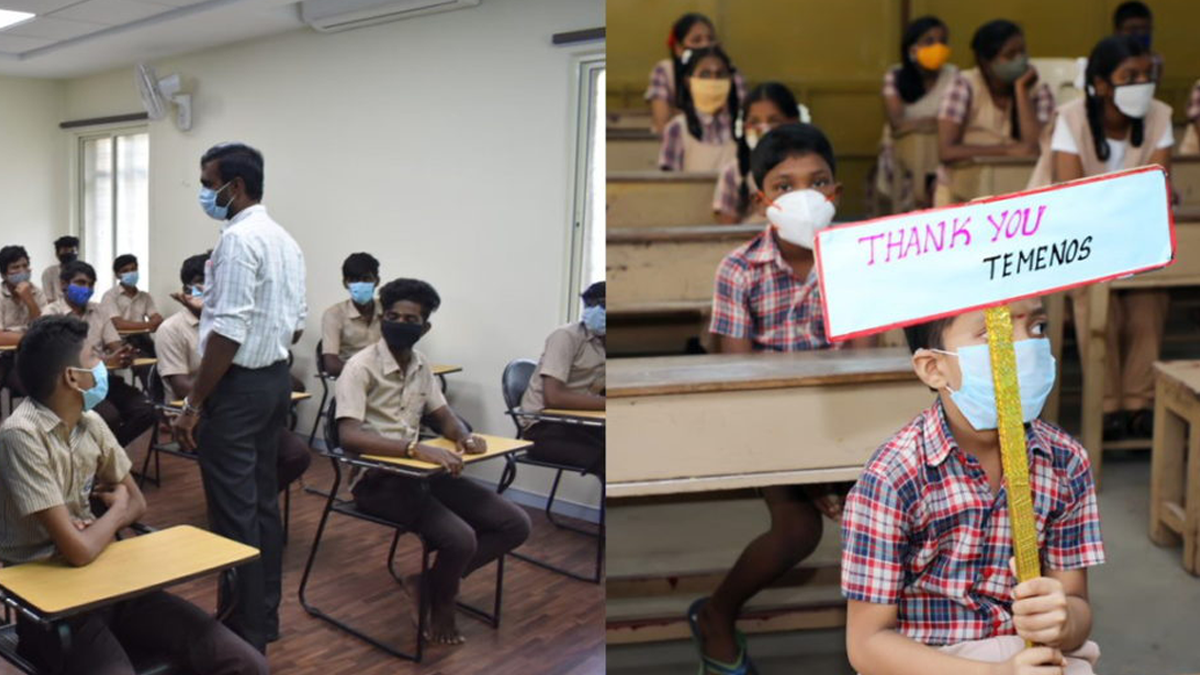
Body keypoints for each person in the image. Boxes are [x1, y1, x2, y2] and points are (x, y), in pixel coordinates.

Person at [842, 297, 1103, 674]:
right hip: (930, 661)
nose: (1024, 348)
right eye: (993, 333)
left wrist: (1063, 622)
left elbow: (1077, 603)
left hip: (1033, 654)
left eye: (1037, 328)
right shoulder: (893, 477)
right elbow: (867, 644)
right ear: (934, 368)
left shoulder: (1066, 460)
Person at [0, 314, 267, 675]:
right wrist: (115, 511)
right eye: (94, 355)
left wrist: (102, 526)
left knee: (244, 662)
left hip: (110, 579)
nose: (102, 363)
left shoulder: (90, 421)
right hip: (50, 603)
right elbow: (80, 549)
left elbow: (138, 504)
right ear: (72, 377)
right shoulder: (21, 435)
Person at [696, 124, 853, 674]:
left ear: (836, 193)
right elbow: (739, 381)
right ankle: (717, 613)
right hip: (772, 422)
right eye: (785, 186)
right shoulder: (739, 269)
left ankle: (894, 637)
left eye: (818, 182)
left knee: (895, 514)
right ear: (761, 199)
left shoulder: (859, 259)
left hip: (851, 417)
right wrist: (812, 472)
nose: (803, 197)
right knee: (798, 529)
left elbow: (878, 363)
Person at [338, 278, 530, 646]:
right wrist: (412, 449)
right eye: (392, 316)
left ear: (425, 328)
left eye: (410, 320)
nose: (399, 323)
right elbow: (349, 436)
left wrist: (463, 435)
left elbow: (443, 414)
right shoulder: (360, 366)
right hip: (378, 481)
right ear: (382, 318)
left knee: (514, 524)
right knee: (460, 539)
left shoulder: (421, 365)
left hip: (422, 474)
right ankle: (444, 600)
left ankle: (428, 584)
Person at [172, 142, 307, 652]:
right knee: (262, 509)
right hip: (274, 381)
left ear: (236, 186)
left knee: (233, 517)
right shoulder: (285, 241)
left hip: (237, 389)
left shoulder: (234, 241)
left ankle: (239, 638)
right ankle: (262, 620)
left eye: (209, 184)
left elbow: (227, 334)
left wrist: (192, 405)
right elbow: (293, 327)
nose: (205, 192)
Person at [1028, 35, 1173, 440]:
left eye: (1147, 75)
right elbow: (1074, 195)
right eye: (1130, 76)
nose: (1142, 84)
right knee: (1097, 301)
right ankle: (1107, 406)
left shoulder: (1160, 116)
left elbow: (1156, 187)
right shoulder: (1071, 118)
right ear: (1103, 84)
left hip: (1137, 239)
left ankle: (1138, 403)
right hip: (1081, 240)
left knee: (1150, 299)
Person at [157, 252, 311, 490]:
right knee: (239, 455)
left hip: (243, 407)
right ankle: (241, 510)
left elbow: (292, 384)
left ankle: (253, 502)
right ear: (189, 289)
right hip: (196, 412)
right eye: (206, 281)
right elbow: (182, 388)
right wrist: (224, 362)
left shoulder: (236, 323)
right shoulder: (171, 329)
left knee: (296, 455)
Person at [935, 20, 1054, 206]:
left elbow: (1035, 147)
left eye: (1022, 52)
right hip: (964, 190)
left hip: (1022, 191)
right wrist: (1007, 151)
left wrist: (1021, 90)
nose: (1020, 59)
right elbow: (947, 150)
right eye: (1010, 55)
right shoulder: (964, 84)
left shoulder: (1038, 90)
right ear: (986, 62)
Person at [43, 261, 155, 449]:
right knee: (109, 416)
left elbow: (114, 345)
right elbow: (58, 359)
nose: (86, 288)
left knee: (147, 410)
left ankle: (106, 456)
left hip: (102, 380)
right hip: (70, 386)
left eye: (90, 284)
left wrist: (123, 354)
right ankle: (102, 459)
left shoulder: (99, 310)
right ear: (64, 284)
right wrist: (103, 361)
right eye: (80, 283)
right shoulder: (52, 314)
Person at [519, 281, 605, 476]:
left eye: (603, 305)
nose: (595, 311)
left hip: (580, 423)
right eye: (591, 305)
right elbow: (554, 398)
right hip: (544, 429)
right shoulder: (566, 337)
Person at [874, 15, 957, 212]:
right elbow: (897, 123)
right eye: (929, 41)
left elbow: (957, 122)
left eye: (942, 42)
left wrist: (928, 124)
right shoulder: (895, 75)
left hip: (941, 149)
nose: (937, 47)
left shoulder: (953, 75)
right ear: (912, 48)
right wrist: (933, 123)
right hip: (900, 153)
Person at [713, 83, 802, 224]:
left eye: (774, 120)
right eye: (754, 121)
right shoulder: (734, 171)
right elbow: (727, 233)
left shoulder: (807, 167)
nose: (763, 128)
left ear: (793, 121)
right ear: (744, 127)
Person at [645, 13, 746, 134]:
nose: (705, 45)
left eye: (710, 39)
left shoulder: (729, 71)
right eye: (696, 40)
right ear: (678, 48)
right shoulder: (665, 71)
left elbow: (742, 115)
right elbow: (662, 123)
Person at [658, 45, 740, 173]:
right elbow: (669, 185)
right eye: (705, 74)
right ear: (688, 81)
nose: (714, 80)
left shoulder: (742, 125)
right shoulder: (677, 128)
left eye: (721, 74)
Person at [320, 252, 382, 377]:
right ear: (345, 283)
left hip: (387, 379)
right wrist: (370, 373)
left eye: (366, 279)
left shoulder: (389, 311)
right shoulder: (334, 314)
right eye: (354, 280)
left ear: (377, 281)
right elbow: (331, 365)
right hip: (352, 378)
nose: (360, 284)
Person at [101, 254, 164, 336]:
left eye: (133, 269)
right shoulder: (110, 296)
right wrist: (149, 325)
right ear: (117, 275)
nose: (131, 273)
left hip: (143, 341)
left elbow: (157, 319)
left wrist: (153, 322)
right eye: (125, 271)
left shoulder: (145, 296)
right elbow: (117, 324)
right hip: (118, 341)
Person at [1112, 1, 1162, 79]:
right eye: (1133, 29)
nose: (1141, 34)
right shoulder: (1106, 63)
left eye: (1145, 29)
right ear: (1117, 32)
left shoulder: (1155, 63)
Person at [41, 235, 79, 304]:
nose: (69, 254)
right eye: (65, 250)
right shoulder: (49, 272)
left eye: (73, 251)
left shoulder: (82, 272)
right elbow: (49, 299)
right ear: (57, 254)